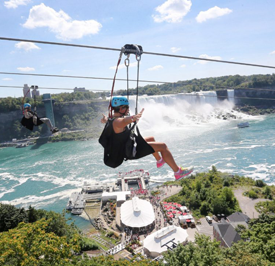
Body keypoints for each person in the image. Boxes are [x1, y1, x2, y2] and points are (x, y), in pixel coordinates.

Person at [100, 96, 193, 181]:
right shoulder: (118, 121)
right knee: (163, 146)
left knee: (151, 138)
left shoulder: (112, 120)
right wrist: (133, 118)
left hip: (128, 145)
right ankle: (178, 172)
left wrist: (106, 120)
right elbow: (124, 121)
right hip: (130, 151)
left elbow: (116, 121)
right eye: (127, 107)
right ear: (121, 108)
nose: (128, 109)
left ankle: (160, 161)